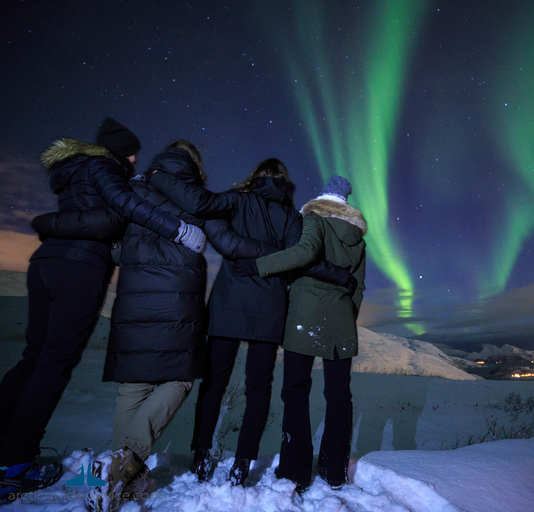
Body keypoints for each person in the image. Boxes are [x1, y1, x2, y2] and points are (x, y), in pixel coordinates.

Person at [0, 119, 205, 503]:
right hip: (79, 269)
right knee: (54, 363)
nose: (133, 158)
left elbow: (98, 222)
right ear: (116, 152)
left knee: (33, 358)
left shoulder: (73, 171)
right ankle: (17, 463)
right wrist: (177, 230)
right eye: (130, 152)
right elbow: (123, 206)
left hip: (46, 262)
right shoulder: (105, 169)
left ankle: (17, 454)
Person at [146, 158, 355, 486]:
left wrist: (158, 178)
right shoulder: (290, 216)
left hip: (228, 304)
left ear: (255, 176)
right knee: (259, 389)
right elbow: (301, 260)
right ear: (285, 182)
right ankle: (243, 462)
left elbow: (198, 202)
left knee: (214, 385)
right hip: (269, 310)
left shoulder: (235, 200)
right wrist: (340, 275)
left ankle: (201, 455)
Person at [239, 175, 366, 493]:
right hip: (341, 322)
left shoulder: (314, 218)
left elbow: (306, 252)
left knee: (295, 390)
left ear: (322, 197)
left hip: (305, 318)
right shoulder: (359, 239)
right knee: (339, 396)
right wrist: (345, 317)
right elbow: (358, 288)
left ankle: (295, 470)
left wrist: (259, 266)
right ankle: (334, 471)